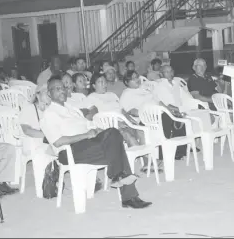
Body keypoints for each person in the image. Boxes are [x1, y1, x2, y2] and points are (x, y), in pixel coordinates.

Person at [40, 77, 152, 209]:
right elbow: (58, 142)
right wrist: (86, 135)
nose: (62, 91)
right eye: (57, 89)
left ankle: (123, 184)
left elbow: (87, 124)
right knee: (115, 144)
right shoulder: (49, 114)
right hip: (70, 151)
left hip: (88, 145)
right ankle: (125, 188)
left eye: (63, 88)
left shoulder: (71, 109)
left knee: (114, 134)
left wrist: (97, 130)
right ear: (49, 93)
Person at [121, 70, 187, 160]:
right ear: (126, 82)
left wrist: (169, 110)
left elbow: (158, 101)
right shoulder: (127, 93)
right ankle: (161, 154)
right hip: (145, 119)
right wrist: (150, 113)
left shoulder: (145, 89)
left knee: (177, 117)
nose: (136, 79)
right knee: (166, 118)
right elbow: (130, 111)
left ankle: (179, 151)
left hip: (159, 112)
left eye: (137, 77)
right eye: (133, 79)